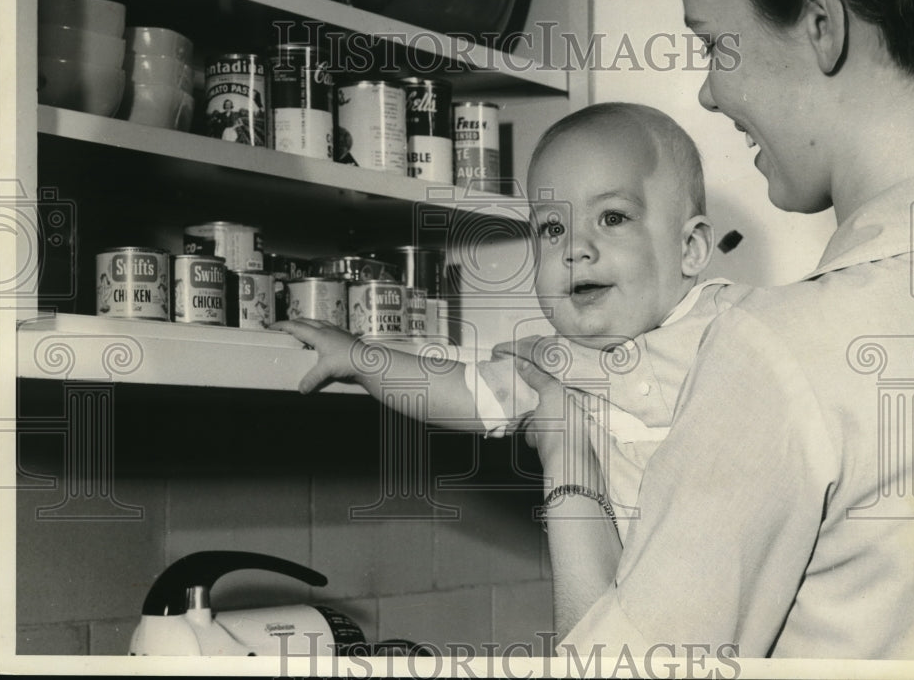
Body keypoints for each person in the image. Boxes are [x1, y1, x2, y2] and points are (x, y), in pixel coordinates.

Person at [522, 0, 914, 660]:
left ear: (819, 22)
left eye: (711, 43)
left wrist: (567, 451)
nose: (708, 88)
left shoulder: (781, 352)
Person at [274, 102, 747, 538]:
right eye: (553, 228)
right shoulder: (548, 368)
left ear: (691, 249)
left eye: (613, 218)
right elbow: (456, 392)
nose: (575, 249)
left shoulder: (734, 327)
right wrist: (361, 359)